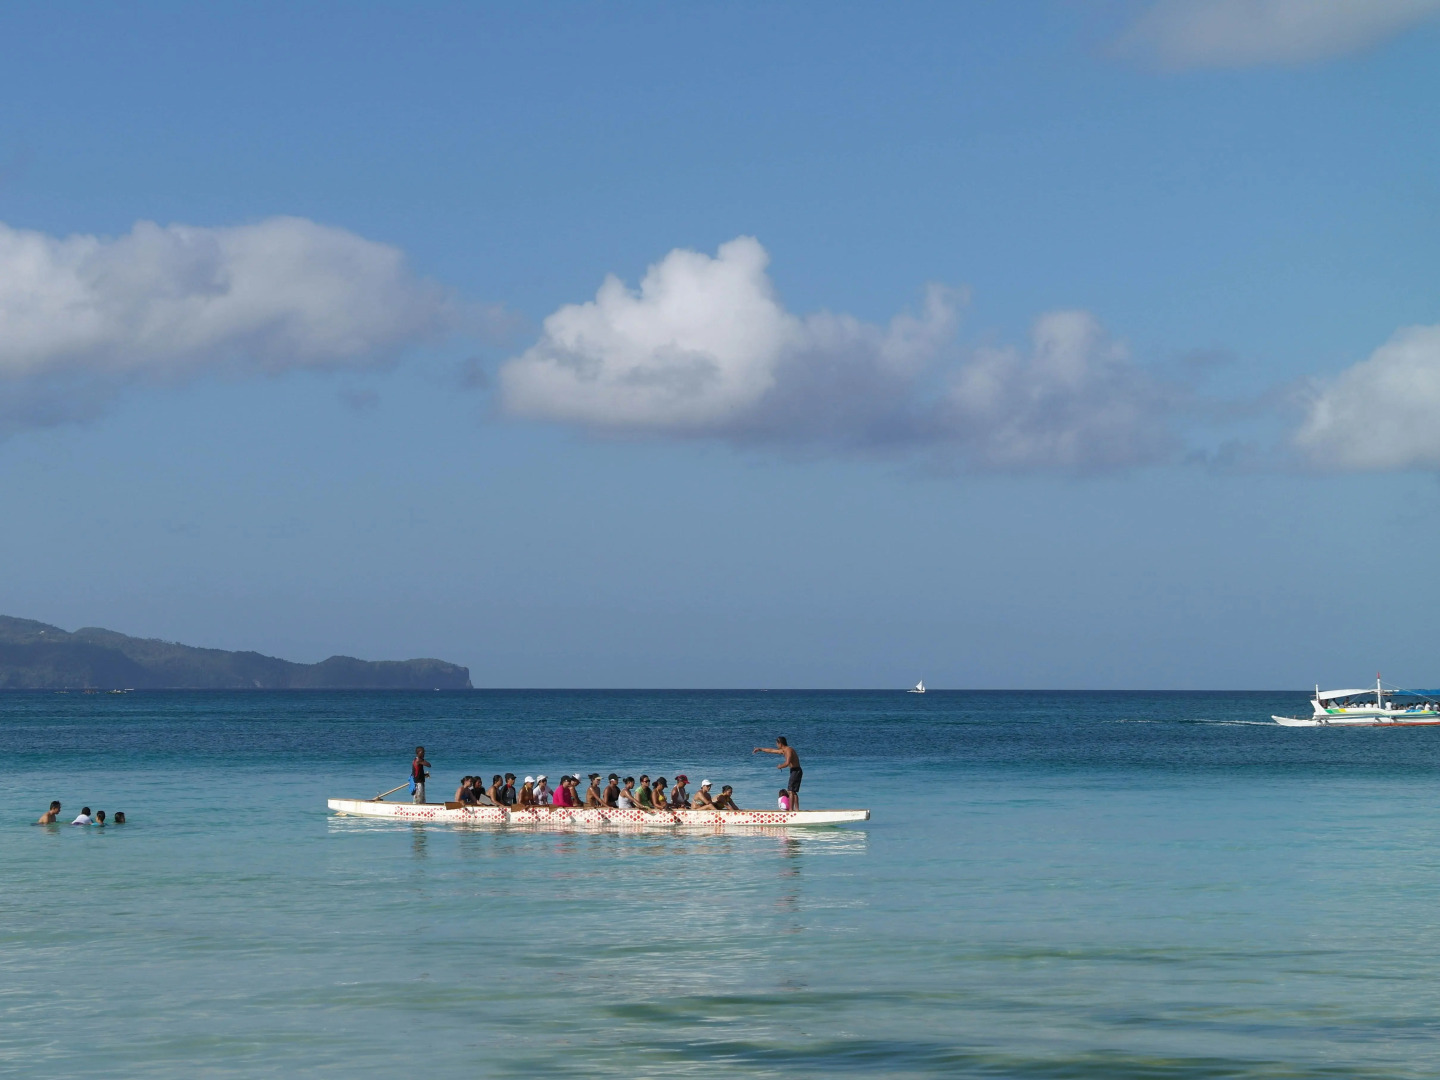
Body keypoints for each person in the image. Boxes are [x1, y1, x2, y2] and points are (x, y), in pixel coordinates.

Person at [753, 736, 802, 810]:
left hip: (796, 771)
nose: (776, 745)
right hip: (794, 771)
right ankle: (796, 810)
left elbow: (787, 762)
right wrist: (760, 749)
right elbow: (772, 750)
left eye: (777, 743)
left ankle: (792, 810)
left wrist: (780, 766)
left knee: (791, 791)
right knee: (793, 791)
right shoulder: (783, 750)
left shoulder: (788, 750)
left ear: (780, 743)